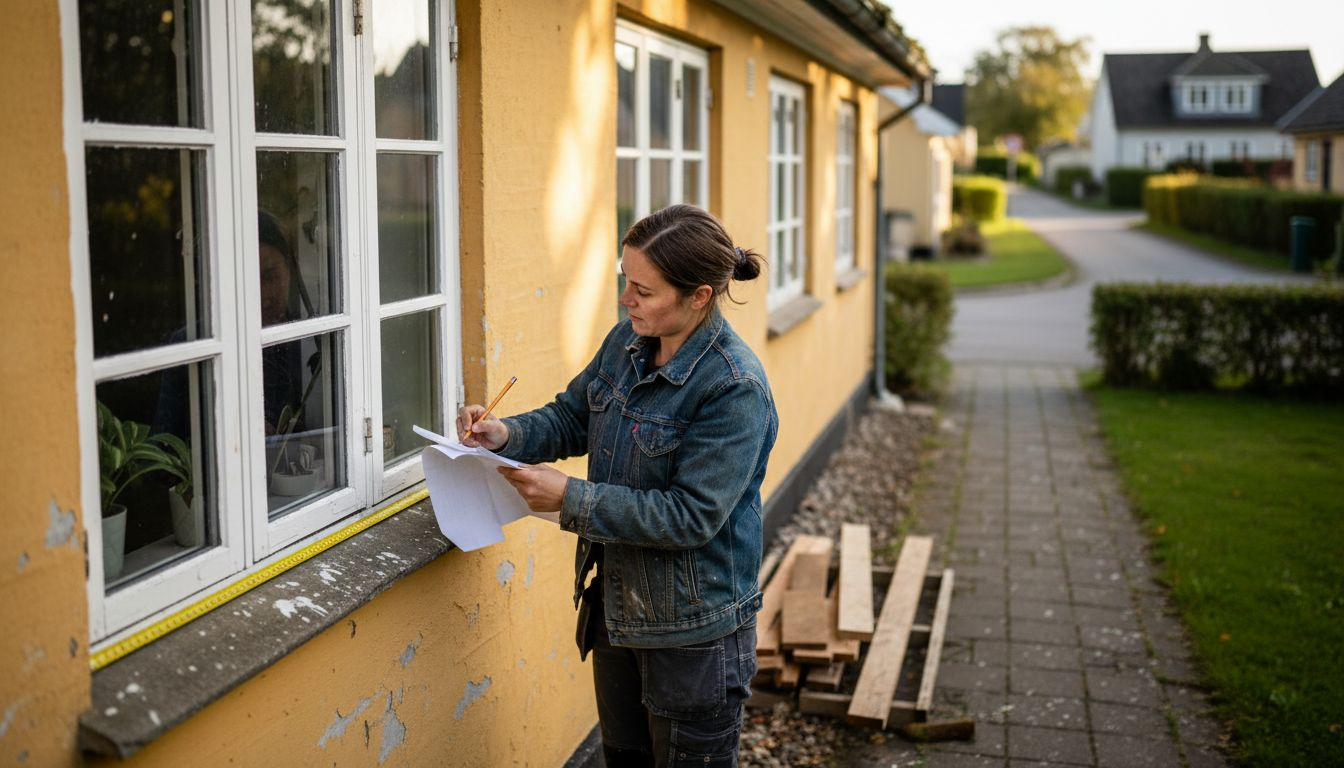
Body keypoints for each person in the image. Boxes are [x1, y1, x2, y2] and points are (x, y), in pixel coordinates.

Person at [457, 205, 777, 767]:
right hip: (619, 611)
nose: (628, 299)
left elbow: (689, 516)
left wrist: (569, 498)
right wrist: (503, 434)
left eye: (644, 291)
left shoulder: (735, 388)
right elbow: (571, 417)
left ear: (699, 297)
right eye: (625, 281)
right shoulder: (626, 344)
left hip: (692, 633)